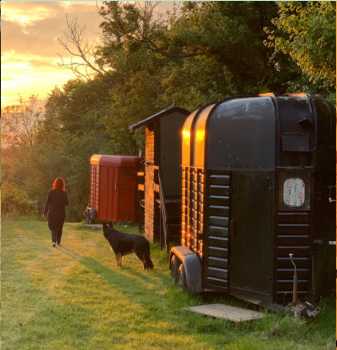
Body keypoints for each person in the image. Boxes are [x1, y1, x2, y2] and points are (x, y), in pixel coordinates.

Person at [44, 177, 69, 247]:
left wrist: (45, 212)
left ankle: (54, 241)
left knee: (53, 227)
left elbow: (47, 202)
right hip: (61, 213)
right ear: (62, 185)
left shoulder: (51, 192)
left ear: (55, 184)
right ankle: (58, 242)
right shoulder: (64, 193)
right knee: (60, 228)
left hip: (52, 213)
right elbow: (67, 203)